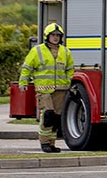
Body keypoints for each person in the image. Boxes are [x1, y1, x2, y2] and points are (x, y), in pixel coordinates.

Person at [18, 23, 75, 153]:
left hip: (61, 90)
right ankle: (44, 143)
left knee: (56, 118)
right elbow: (27, 68)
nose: (55, 38)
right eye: (53, 35)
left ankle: (51, 143)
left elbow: (70, 69)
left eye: (58, 35)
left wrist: (67, 81)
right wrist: (23, 82)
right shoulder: (37, 51)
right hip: (44, 91)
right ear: (47, 36)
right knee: (48, 116)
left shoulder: (65, 52)